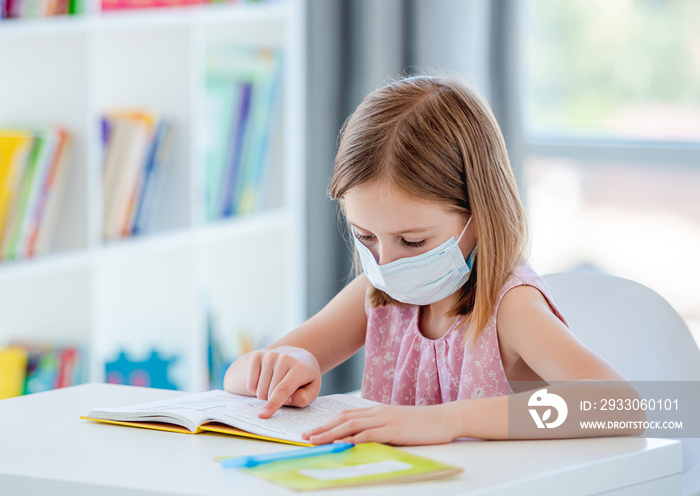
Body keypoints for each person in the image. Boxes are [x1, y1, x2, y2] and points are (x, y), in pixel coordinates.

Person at [223, 75, 627, 445]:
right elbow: (236, 375)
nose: (386, 262)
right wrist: (284, 363)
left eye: (412, 242)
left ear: (480, 215)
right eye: (365, 237)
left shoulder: (511, 307)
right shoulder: (377, 295)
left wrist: (450, 420)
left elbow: (617, 408)